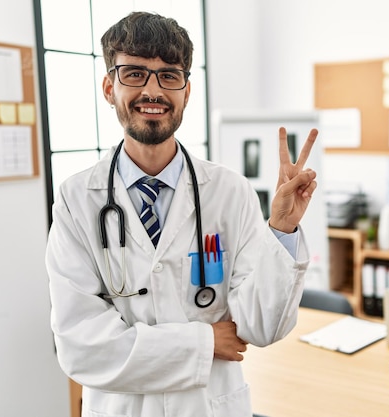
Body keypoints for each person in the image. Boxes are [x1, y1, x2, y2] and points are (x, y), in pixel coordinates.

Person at [45, 11, 319, 417]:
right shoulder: (76, 200)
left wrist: (282, 227)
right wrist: (206, 342)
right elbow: (82, 348)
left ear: (187, 91)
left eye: (169, 75)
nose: (153, 91)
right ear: (109, 87)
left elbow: (261, 327)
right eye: (134, 73)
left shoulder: (230, 192)